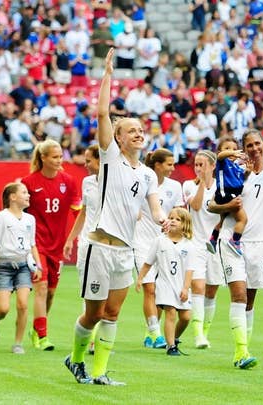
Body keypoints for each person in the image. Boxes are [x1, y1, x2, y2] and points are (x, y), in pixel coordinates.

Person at [64, 49, 171, 386]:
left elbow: (154, 210)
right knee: (93, 313)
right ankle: (77, 358)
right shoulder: (110, 158)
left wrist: (163, 219)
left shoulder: (149, 175)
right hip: (99, 246)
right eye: (131, 130)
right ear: (119, 138)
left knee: (112, 314)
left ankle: (99, 373)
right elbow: (100, 113)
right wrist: (108, 74)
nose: (138, 133)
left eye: (141, 129)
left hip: (125, 251)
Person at [208, 105, 263, 369]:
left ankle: (244, 347)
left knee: (250, 298)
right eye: (249, 144)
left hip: (258, 243)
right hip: (232, 240)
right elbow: (211, 205)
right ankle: (240, 352)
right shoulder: (233, 171)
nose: (254, 148)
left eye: (258, 144)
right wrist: (227, 208)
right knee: (239, 295)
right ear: (243, 148)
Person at [21, 139, 81, 351]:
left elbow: (77, 211)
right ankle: (44, 336)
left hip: (58, 245)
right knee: (42, 287)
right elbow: (18, 214)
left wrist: (75, 236)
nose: (59, 161)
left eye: (60, 156)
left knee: (51, 292)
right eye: (54, 157)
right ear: (43, 158)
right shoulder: (28, 183)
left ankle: (37, 328)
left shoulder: (69, 181)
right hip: (36, 245)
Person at [0, 183, 43, 354]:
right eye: (24, 192)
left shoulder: (30, 219)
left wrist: (38, 266)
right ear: (12, 197)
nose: (28, 195)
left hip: (23, 266)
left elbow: (32, 245)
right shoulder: (2, 217)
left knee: (23, 305)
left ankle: (18, 343)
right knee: (4, 308)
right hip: (4, 267)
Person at [133, 149, 184, 349]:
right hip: (141, 242)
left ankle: (149, 333)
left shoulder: (175, 186)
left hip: (164, 243)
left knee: (161, 290)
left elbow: (179, 212)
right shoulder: (141, 179)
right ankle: (155, 334)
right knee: (150, 289)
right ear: (157, 165)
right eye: (169, 164)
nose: (173, 168)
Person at [136, 207, 196, 356]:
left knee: (186, 317)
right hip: (165, 285)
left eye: (178, 219)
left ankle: (174, 338)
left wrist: (185, 288)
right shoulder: (160, 241)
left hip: (181, 286)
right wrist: (140, 278)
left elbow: (189, 270)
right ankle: (171, 347)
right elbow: (148, 262)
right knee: (170, 313)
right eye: (171, 218)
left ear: (185, 224)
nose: (173, 221)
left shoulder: (188, 245)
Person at [182, 150, 224, 349]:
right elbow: (197, 206)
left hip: (215, 244)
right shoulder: (189, 185)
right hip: (194, 243)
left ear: (213, 166)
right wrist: (201, 182)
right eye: (196, 165)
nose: (198, 168)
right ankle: (198, 334)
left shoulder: (221, 186)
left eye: (202, 165)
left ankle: (205, 332)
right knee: (197, 287)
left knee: (211, 290)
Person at [63, 144, 101, 353]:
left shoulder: (115, 183)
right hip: (88, 244)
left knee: (108, 300)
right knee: (90, 293)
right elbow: (84, 212)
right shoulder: (87, 182)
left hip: (110, 246)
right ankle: (92, 341)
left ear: (101, 160)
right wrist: (71, 239)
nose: (85, 165)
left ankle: (99, 340)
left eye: (89, 161)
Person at [206, 136, 248, 256]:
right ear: (220, 151)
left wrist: (248, 170)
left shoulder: (235, 167)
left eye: (235, 149)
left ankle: (213, 239)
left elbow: (240, 177)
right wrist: (233, 152)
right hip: (227, 194)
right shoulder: (222, 162)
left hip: (227, 194)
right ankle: (235, 240)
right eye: (227, 148)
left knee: (222, 219)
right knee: (242, 219)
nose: (232, 151)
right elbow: (220, 156)